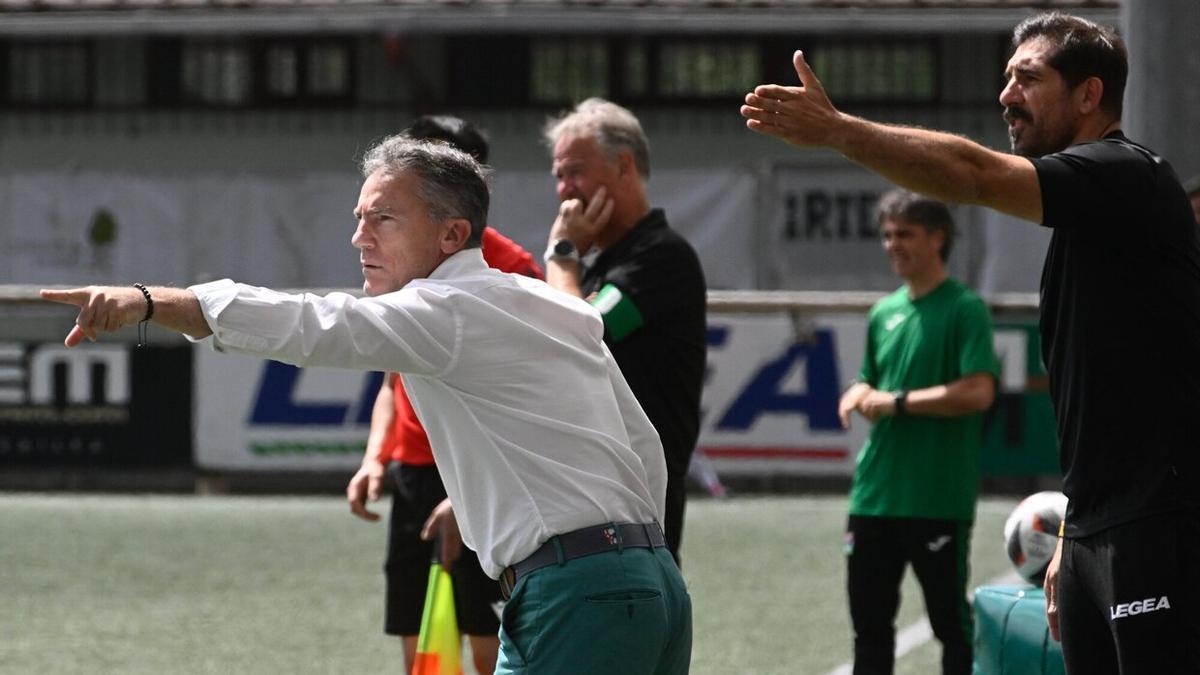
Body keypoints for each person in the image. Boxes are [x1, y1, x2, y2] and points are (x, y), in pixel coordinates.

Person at [43, 135, 692, 675]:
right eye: (358, 217)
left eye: (382, 217)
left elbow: (311, 323)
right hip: (654, 586)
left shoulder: (442, 310)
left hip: (577, 597)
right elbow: (642, 448)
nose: (359, 237)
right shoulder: (553, 304)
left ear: (452, 234)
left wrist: (150, 301)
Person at [742, 11, 1200, 674]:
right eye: (1006, 78)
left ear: (1089, 95)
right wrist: (1075, 531)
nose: (1005, 95)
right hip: (1095, 532)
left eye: (1027, 78)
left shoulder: (1130, 175)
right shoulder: (1088, 221)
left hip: (1159, 527)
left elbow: (975, 175)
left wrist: (839, 130)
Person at [344, 115, 541, 675]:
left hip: (479, 474)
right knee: (418, 631)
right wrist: (374, 459)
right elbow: (391, 378)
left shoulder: (512, 268)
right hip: (413, 469)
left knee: (486, 632)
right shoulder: (398, 260)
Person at [838, 190, 998, 675]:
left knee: (952, 628)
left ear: (937, 239)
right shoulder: (883, 313)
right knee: (869, 630)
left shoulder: (965, 309)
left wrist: (898, 402)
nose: (892, 245)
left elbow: (978, 392)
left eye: (904, 234)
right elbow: (870, 380)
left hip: (935, 500)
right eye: (887, 235)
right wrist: (858, 390)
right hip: (873, 499)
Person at [541, 98, 707, 563]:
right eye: (558, 175)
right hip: (591, 488)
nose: (564, 190)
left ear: (624, 166)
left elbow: (577, 332)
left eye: (574, 171)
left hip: (638, 496)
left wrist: (562, 255)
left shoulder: (660, 256)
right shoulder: (603, 265)